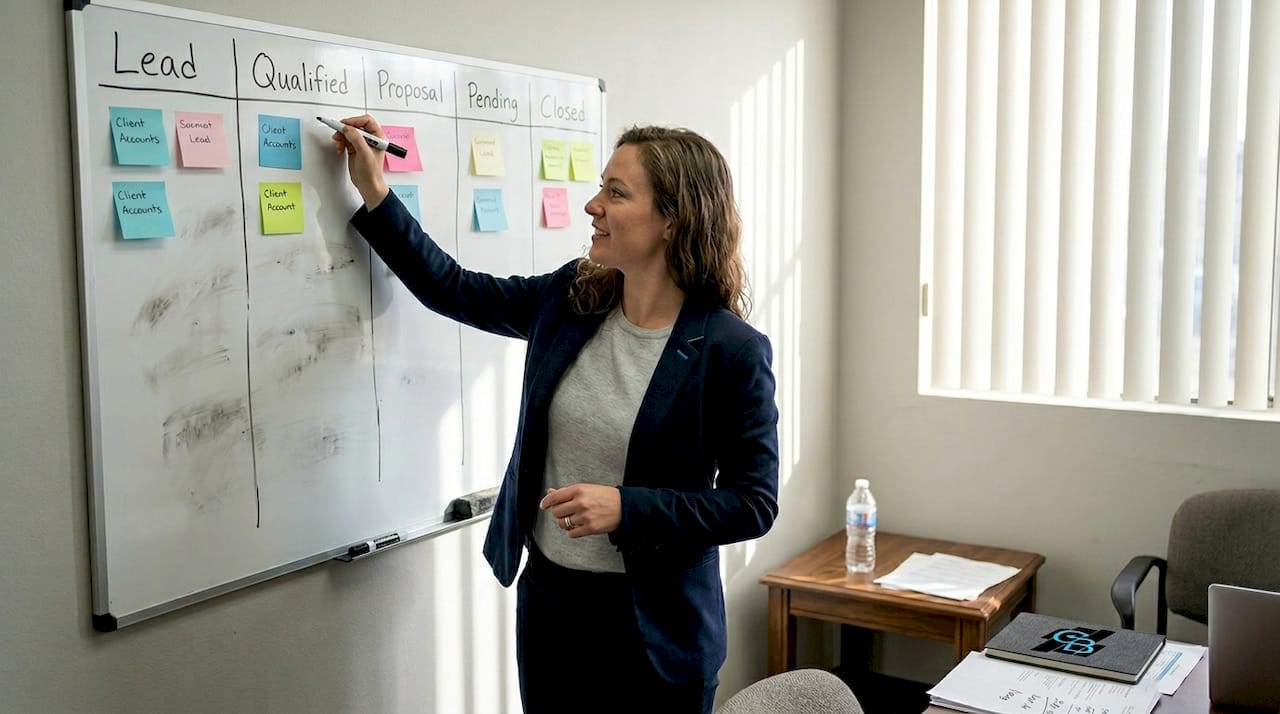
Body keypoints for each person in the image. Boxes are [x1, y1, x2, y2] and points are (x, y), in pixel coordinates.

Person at [332, 115, 780, 713]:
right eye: (600, 188)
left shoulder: (730, 350)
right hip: (553, 609)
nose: (594, 206)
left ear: (673, 220)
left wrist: (627, 507)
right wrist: (374, 190)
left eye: (616, 193)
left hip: (657, 634)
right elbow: (454, 288)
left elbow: (754, 502)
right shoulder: (573, 298)